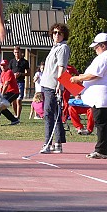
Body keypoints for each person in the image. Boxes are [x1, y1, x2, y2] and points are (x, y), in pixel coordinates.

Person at [70, 32, 107, 159]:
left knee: (101, 123)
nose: (94, 49)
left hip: (101, 95)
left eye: (96, 47)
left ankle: (101, 150)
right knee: (106, 123)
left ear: (103, 45)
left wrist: (77, 78)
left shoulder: (104, 57)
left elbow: (95, 74)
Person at [39, 23, 70, 154]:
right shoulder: (54, 48)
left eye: (59, 33)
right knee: (54, 114)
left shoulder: (63, 47)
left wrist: (59, 83)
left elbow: (62, 67)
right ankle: (57, 143)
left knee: (49, 114)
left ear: (64, 35)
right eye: (55, 32)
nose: (56, 35)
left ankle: (48, 143)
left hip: (53, 85)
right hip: (46, 85)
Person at [0, 59, 21, 126]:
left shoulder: (9, 72)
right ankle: (14, 120)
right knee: (1, 106)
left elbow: (6, 84)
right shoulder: (2, 73)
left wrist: (1, 95)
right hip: (7, 92)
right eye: (1, 65)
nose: (2, 67)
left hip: (13, 92)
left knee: (0, 104)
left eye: (4, 65)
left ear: (7, 65)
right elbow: (1, 85)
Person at [11, 45, 29, 119]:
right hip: (13, 83)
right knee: (13, 101)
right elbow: (8, 71)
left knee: (19, 100)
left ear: (21, 52)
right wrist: (13, 75)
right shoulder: (12, 61)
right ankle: (15, 115)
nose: (16, 54)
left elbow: (28, 73)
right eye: (15, 52)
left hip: (21, 82)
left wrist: (21, 74)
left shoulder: (25, 62)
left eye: (18, 52)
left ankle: (18, 116)